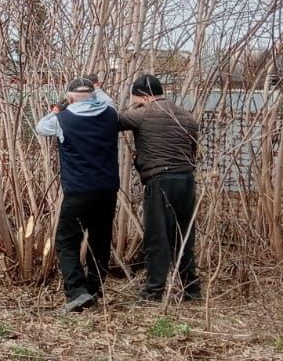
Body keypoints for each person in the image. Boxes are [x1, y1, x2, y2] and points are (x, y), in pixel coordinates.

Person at [35, 76, 120, 313]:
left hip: (79, 191)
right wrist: (98, 89)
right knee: (100, 240)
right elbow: (108, 101)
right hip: (107, 190)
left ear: (70, 97)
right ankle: (95, 289)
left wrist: (59, 107)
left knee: (66, 241)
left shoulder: (63, 119)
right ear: (94, 95)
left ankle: (77, 291)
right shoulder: (111, 114)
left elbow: (41, 127)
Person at [118, 74, 202, 302]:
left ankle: (153, 291)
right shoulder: (187, 117)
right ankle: (191, 290)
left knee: (158, 237)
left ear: (142, 96)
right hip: (186, 180)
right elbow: (193, 151)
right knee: (184, 236)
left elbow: (114, 121)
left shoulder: (144, 114)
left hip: (160, 181)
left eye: (135, 97)